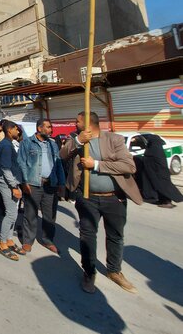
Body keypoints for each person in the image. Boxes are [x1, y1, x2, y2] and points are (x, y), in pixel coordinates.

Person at [60, 111, 141, 294]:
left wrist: (96, 165)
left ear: (89, 123)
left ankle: (114, 271)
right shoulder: (78, 139)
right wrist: (79, 140)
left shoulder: (114, 140)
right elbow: (63, 154)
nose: (74, 123)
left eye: (77, 121)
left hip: (113, 198)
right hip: (87, 197)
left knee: (115, 235)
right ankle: (89, 272)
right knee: (87, 236)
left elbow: (129, 166)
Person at [17, 118, 66, 254]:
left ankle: (48, 240)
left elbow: (58, 164)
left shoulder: (52, 145)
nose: (51, 130)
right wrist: (24, 182)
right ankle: (27, 241)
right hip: (33, 184)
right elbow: (21, 163)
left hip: (51, 184)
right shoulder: (27, 143)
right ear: (39, 129)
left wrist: (61, 183)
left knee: (49, 215)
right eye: (48, 127)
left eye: (51, 127)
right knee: (30, 214)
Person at [0, 120, 24, 261]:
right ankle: (3, 242)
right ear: (9, 130)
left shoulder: (7, 144)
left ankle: (9, 239)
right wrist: (13, 187)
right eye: (16, 129)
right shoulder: (5, 145)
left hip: (12, 182)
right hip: (7, 183)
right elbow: (5, 169)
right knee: (11, 214)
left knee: (14, 212)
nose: (18, 131)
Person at [134, 134, 183, 208]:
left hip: (159, 174)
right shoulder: (157, 149)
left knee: (163, 187)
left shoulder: (153, 150)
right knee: (159, 186)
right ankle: (161, 200)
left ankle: (167, 202)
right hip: (160, 173)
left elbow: (150, 161)